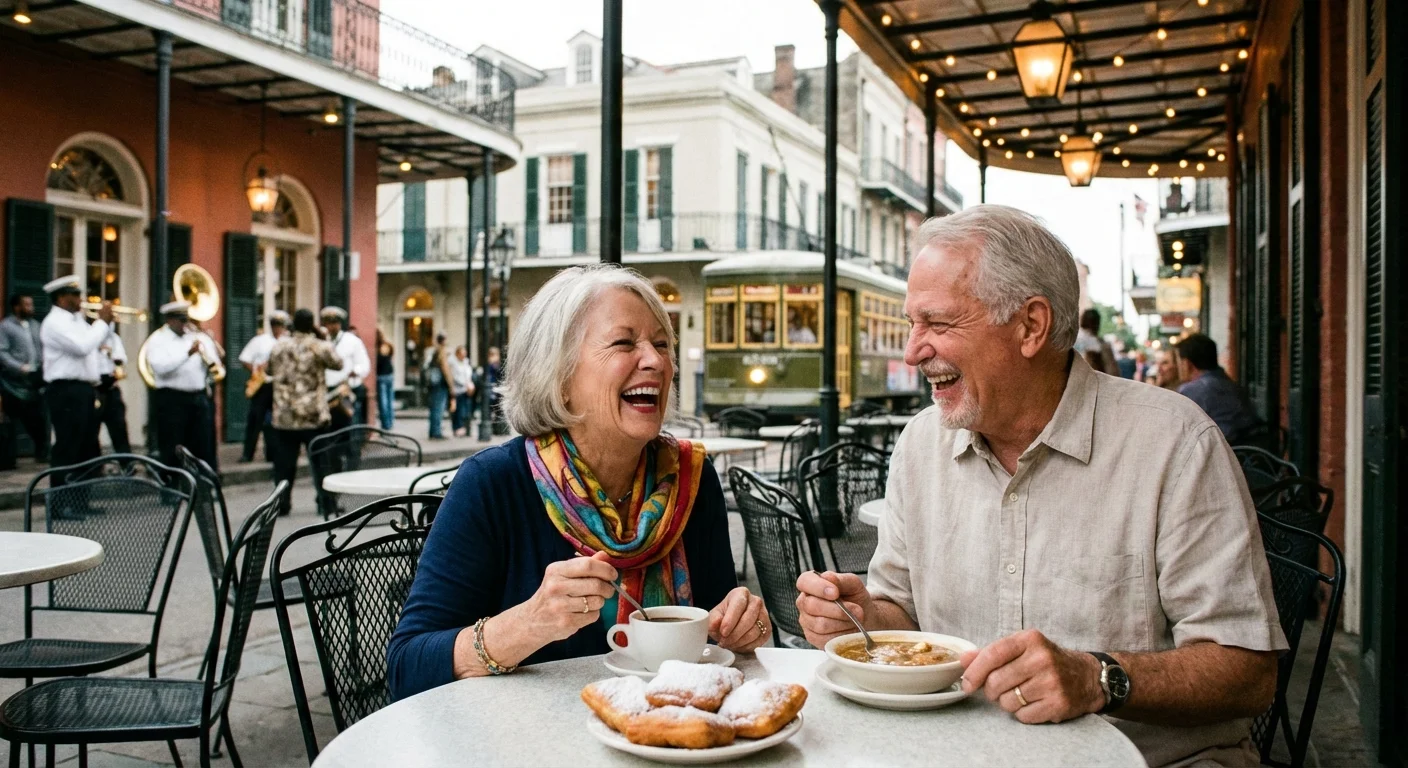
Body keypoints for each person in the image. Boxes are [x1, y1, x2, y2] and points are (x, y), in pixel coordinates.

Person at [794, 205, 1283, 768]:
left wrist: (1099, 677)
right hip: (954, 753)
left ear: (1031, 325)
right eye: (912, 323)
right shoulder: (920, 444)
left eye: (939, 323)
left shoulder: (1174, 443)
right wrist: (862, 619)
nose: (913, 350)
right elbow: (901, 615)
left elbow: (1248, 673)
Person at [389, 265, 769, 699]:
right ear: (559, 376)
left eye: (662, 345)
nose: (656, 361)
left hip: (668, 741)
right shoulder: (493, 484)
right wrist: (527, 623)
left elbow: (719, 632)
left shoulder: (691, 481)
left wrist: (742, 626)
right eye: (625, 343)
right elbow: (407, 666)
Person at [267, 308, 343, 515]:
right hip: (313, 415)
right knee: (321, 462)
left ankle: (281, 504)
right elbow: (338, 364)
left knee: (283, 465)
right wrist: (319, 337)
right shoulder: (319, 346)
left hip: (285, 414)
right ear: (312, 324)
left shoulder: (279, 346)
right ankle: (326, 502)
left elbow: (268, 370)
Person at [39, 276, 112, 487]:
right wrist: (102, 323)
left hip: (83, 389)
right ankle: (62, 502)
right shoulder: (54, 323)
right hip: (65, 389)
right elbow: (82, 347)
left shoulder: (77, 321)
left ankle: (81, 499)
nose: (81, 298)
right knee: (68, 445)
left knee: (87, 446)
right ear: (62, 298)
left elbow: (95, 347)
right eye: (76, 295)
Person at [144, 301, 219, 470]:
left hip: (198, 398)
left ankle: (202, 492)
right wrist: (187, 354)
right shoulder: (158, 340)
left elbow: (216, 364)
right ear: (170, 320)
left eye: (187, 320)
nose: (186, 324)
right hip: (172, 400)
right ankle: (171, 494)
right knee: (172, 449)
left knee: (203, 450)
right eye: (181, 320)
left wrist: (208, 349)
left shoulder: (197, 337)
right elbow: (160, 368)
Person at [1175, 333, 1261, 445]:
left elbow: (1177, 431)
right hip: (1252, 453)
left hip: (1220, 453)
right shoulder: (1232, 385)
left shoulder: (1192, 390)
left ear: (1187, 364)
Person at [0, 293, 49, 462]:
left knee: (38, 419)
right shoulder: (6, 326)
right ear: (16, 307)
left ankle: (41, 454)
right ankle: (9, 458)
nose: (31, 308)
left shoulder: (36, 325)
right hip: (13, 380)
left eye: (31, 305)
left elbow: (42, 348)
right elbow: (2, 352)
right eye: (27, 305)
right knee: (12, 420)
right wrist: (19, 367)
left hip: (34, 379)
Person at [237, 310, 288, 463]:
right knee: (255, 420)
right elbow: (244, 358)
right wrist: (257, 368)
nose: (277, 328)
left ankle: (272, 454)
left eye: (280, 325)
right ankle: (248, 454)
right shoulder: (259, 340)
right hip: (263, 384)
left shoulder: (288, 342)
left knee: (275, 422)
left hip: (279, 385)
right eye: (274, 324)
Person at [321, 307, 370, 433]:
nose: (332, 327)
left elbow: (364, 364)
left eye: (335, 323)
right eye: (328, 323)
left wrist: (355, 371)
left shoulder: (352, 341)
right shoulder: (320, 341)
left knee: (349, 427)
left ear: (340, 324)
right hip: (326, 391)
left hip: (347, 391)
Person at [94, 320, 130, 455]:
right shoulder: (91, 338)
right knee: (92, 429)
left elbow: (121, 358)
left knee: (119, 427)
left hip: (111, 387)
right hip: (96, 387)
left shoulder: (115, 339)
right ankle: (95, 466)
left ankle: (126, 462)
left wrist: (111, 354)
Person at [424, 333, 452, 440]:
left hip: (433, 384)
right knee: (438, 408)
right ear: (444, 340)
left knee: (434, 408)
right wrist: (451, 385)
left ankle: (433, 431)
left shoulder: (434, 351)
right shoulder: (441, 351)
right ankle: (436, 432)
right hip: (440, 384)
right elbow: (445, 369)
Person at [1073, 307, 1118, 375]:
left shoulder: (1071, 341)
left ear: (1082, 321)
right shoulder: (1101, 345)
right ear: (1097, 323)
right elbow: (1112, 371)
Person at [449, 345, 476, 437]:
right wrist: (465, 384)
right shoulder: (453, 363)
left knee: (465, 409)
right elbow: (455, 377)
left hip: (466, 389)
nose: (463, 356)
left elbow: (468, 374)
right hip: (457, 390)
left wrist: (469, 384)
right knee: (458, 410)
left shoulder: (466, 362)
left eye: (465, 354)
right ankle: (457, 427)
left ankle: (464, 427)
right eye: (462, 354)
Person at [376, 328, 396, 430]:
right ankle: (389, 422)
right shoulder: (387, 345)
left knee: (384, 402)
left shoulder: (378, 348)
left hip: (381, 376)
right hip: (389, 374)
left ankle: (386, 424)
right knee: (389, 401)